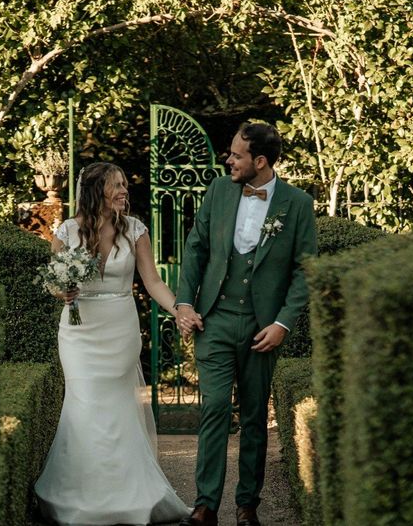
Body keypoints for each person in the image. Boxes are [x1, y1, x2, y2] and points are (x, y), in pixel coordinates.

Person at [175, 122, 317, 526]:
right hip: (215, 320)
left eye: (236, 155)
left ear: (260, 161)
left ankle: (247, 504)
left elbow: (304, 271)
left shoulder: (297, 203)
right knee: (215, 407)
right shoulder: (219, 190)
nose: (229, 160)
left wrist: (283, 324)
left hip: (263, 329)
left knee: (255, 415)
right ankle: (205, 505)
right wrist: (185, 302)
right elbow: (196, 248)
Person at [34, 161, 190, 525]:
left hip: (119, 329)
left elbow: (152, 282)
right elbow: (54, 283)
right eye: (116, 185)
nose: (124, 191)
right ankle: (82, 495)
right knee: (84, 406)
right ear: (95, 193)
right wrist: (63, 290)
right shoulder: (67, 231)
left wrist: (180, 309)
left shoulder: (135, 229)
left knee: (116, 409)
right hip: (78, 331)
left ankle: (127, 493)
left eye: (124, 184)